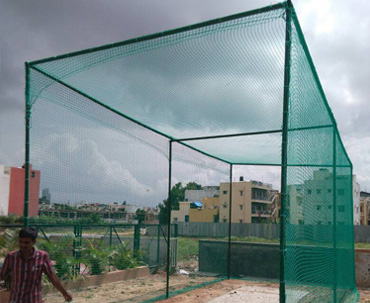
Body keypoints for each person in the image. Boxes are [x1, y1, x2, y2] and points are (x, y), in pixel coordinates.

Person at [0, 227, 73, 302]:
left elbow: (52, 277)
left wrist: (65, 293)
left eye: (26, 242)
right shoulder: (11, 257)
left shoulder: (42, 256)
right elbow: (2, 275)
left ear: (34, 242)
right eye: (21, 242)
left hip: (33, 299)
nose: (23, 245)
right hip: (16, 299)